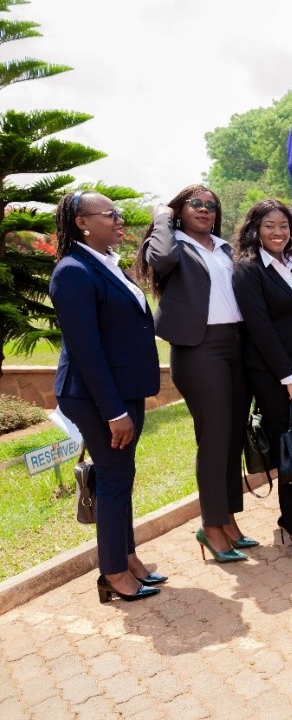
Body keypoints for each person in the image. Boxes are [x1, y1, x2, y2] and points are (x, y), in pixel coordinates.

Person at [50, 191, 165, 602]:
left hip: (121, 390)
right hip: (97, 397)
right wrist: (114, 410)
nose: (120, 220)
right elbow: (86, 349)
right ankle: (113, 573)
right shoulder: (73, 271)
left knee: (122, 477)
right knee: (115, 479)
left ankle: (127, 557)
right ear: (82, 222)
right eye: (111, 214)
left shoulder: (105, 264)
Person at [138, 185, 251, 563]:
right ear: (180, 211)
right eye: (195, 204)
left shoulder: (223, 248)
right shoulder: (173, 245)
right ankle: (211, 527)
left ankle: (229, 520)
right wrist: (162, 219)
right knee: (215, 437)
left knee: (234, 437)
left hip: (235, 345)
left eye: (211, 205)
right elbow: (162, 258)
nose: (204, 210)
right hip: (199, 349)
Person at [231, 199, 292, 562]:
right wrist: (289, 378)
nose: (278, 232)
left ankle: (291, 518)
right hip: (273, 374)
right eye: (270, 225)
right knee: (290, 450)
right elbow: (261, 330)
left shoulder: (289, 265)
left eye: (284, 226)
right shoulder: (247, 270)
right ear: (254, 228)